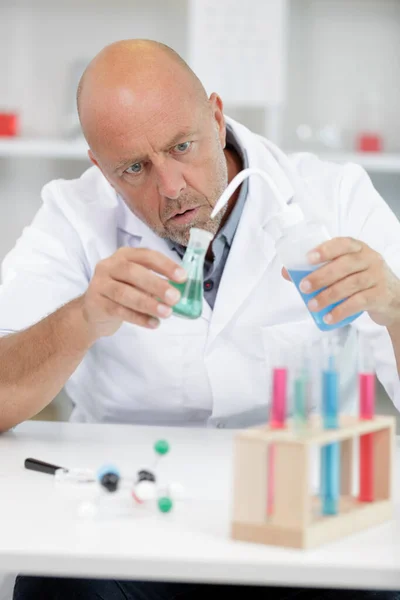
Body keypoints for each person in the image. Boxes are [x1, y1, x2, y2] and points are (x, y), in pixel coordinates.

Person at [1, 39, 400, 600]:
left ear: (216, 116)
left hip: (299, 515)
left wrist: (394, 308)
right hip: (129, 527)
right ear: (100, 167)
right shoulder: (72, 215)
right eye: (134, 168)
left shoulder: (332, 197)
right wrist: (83, 317)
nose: (171, 188)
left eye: (182, 146)